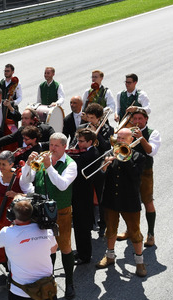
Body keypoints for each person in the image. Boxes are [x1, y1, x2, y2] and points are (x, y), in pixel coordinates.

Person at [26, 133, 78, 299]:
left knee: (65, 246)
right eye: (51, 145)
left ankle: (70, 283)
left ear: (64, 147)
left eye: (56, 146)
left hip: (61, 211)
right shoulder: (42, 160)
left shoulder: (71, 164)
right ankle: (49, 281)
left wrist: (49, 167)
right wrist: (28, 166)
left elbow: (62, 185)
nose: (52, 149)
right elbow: (24, 182)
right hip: (41, 211)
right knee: (46, 247)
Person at [95, 127, 148, 277]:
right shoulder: (109, 154)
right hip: (111, 199)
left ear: (131, 140)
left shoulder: (139, 157)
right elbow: (99, 178)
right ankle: (110, 256)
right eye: (118, 138)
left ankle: (140, 262)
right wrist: (104, 167)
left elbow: (135, 176)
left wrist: (125, 158)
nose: (119, 141)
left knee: (135, 232)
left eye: (123, 139)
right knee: (110, 230)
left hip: (129, 201)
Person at [116, 108, 161, 247]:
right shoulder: (128, 131)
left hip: (145, 172)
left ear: (146, 119)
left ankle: (151, 234)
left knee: (147, 202)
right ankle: (131, 230)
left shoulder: (153, 133)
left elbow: (151, 151)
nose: (137, 122)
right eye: (134, 119)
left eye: (140, 119)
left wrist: (141, 138)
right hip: (129, 171)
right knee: (129, 202)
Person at [68, 129, 100, 264]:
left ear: (90, 142)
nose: (78, 144)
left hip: (84, 195)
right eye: (78, 141)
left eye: (81, 142)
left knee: (83, 226)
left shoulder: (92, 154)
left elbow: (78, 166)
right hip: (77, 193)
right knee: (78, 224)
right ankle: (81, 251)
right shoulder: (83, 152)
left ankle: (85, 256)